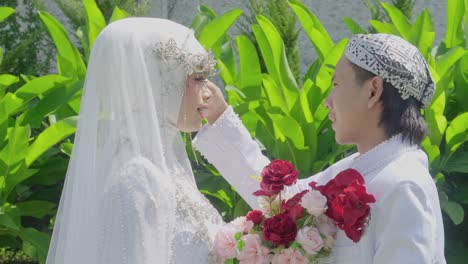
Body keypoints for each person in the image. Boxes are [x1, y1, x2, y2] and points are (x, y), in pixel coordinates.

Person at [190, 33, 446, 263]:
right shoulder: (361, 167)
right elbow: (284, 199)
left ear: (373, 91)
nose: (327, 102)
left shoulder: (403, 185)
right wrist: (220, 118)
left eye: (336, 85)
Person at [46, 18, 223, 264]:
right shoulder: (137, 179)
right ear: (160, 85)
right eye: (197, 78)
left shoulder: (165, 165)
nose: (208, 91)